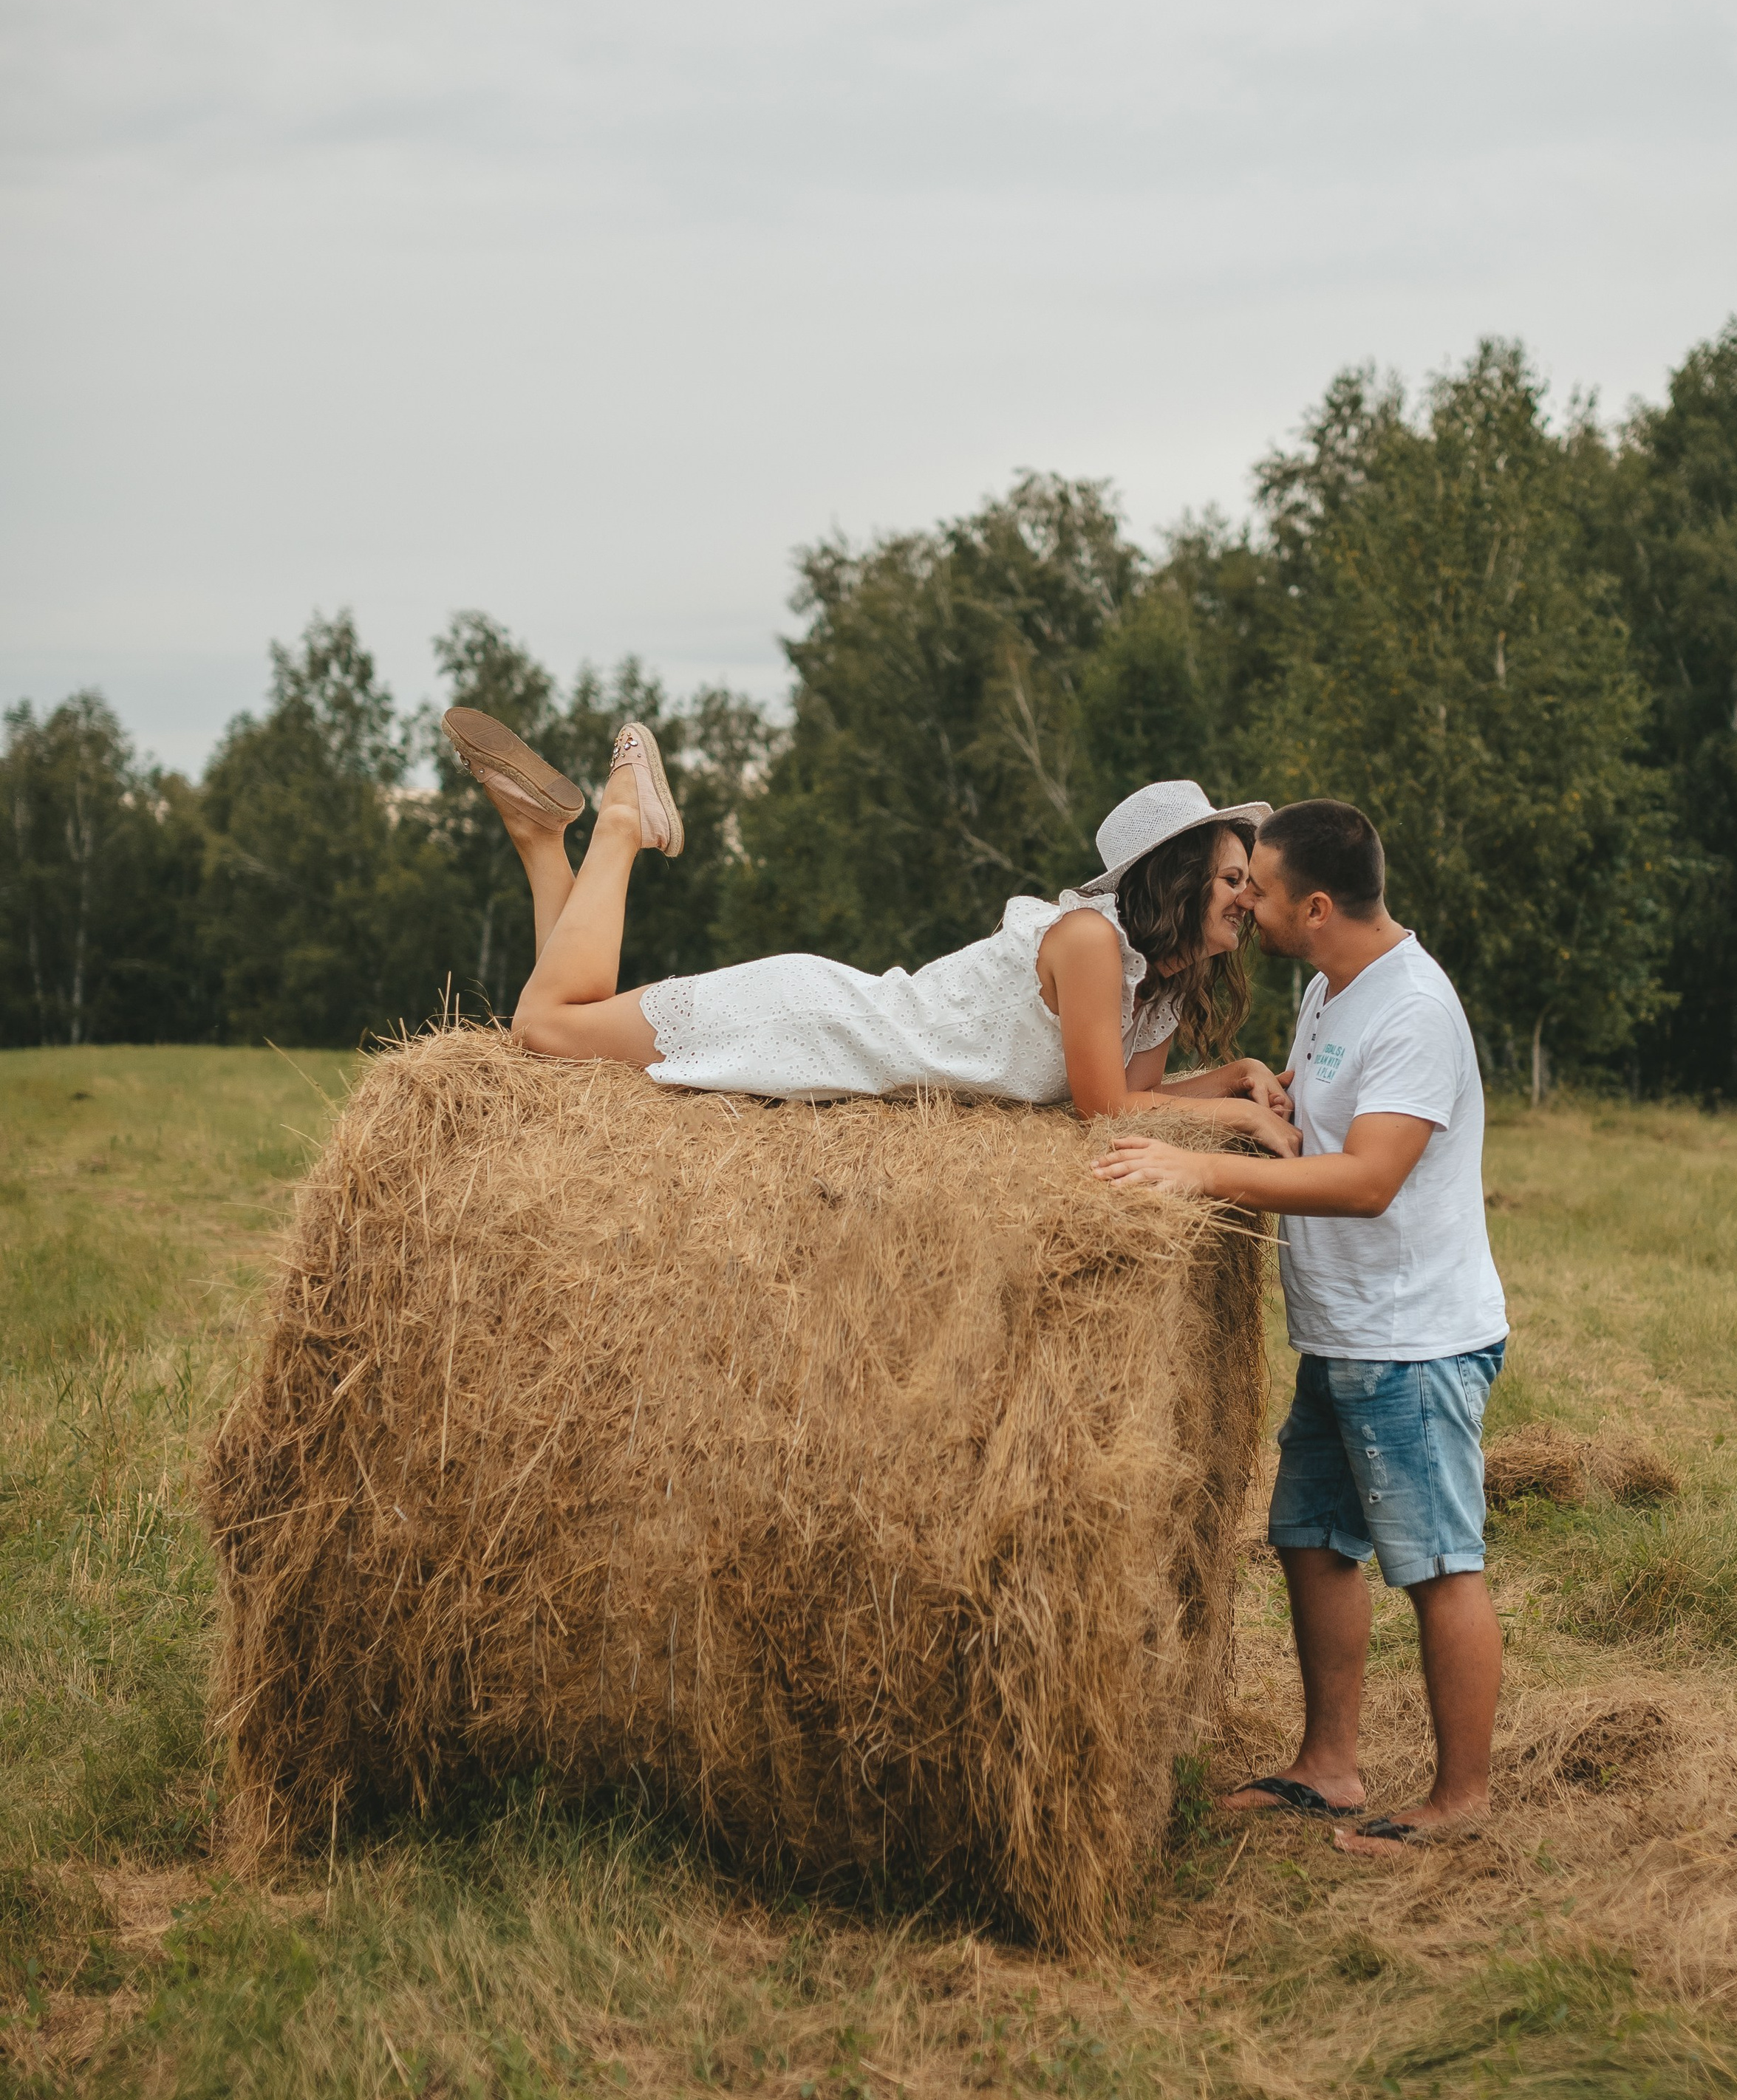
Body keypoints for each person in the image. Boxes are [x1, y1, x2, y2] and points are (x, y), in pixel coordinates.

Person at [1093, 799, 1508, 1859]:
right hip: (1346, 1332)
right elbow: (1330, 1129)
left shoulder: (1412, 1009)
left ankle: (1462, 1800)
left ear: (1317, 906)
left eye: (1259, 889)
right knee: (1312, 1540)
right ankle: (1328, 1768)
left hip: (1412, 1337)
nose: (1245, 901)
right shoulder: (1334, 987)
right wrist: (1255, 1093)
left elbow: (1371, 1179)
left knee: (1436, 1562)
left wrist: (1197, 1167)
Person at [442, 705, 1302, 1134]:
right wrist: (1243, 1115)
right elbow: (1103, 1111)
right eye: (1232, 877)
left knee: (568, 1027)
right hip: (813, 1024)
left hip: (835, 1043)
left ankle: (541, 839)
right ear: (1179, 879)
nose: (1248, 899)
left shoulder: (1154, 985)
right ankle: (625, 822)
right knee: (544, 1027)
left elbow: (1141, 1098)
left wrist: (1230, 1075)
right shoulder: (1087, 941)